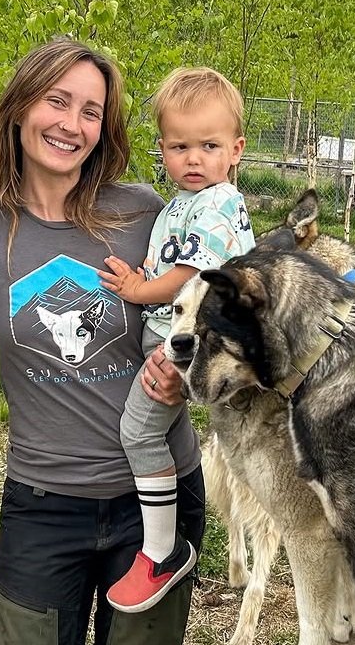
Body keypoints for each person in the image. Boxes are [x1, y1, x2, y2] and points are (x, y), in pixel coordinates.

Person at [0, 38, 204, 645]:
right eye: (57, 101)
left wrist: (186, 376)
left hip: (155, 490)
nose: (72, 125)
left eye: (91, 111)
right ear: (21, 106)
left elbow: (202, 305)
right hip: (43, 498)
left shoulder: (145, 213)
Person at [96, 67, 253, 612]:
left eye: (209, 146)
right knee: (151, 430)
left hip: (188, 343)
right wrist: (143, 273)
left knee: (139, 433)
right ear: (162, 149)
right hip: (170, 338)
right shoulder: (183, 203)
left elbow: (190, 275)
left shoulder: (219, 202)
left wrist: (138, 289)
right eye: (179, 146)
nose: (193, 159)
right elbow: (169, 260)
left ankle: (162, 551)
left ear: (235, 150)